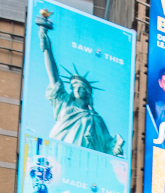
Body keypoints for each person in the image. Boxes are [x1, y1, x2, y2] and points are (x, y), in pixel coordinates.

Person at [37, 12, 124, 155]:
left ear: (88, 93)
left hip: (84, 161)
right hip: (60, 154)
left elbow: (107, 146)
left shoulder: (97, 120)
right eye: (73, 87)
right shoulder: (64, 103)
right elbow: (54, 76)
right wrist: (46, 45)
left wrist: (115, 147)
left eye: (80, 87)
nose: (75, 89)